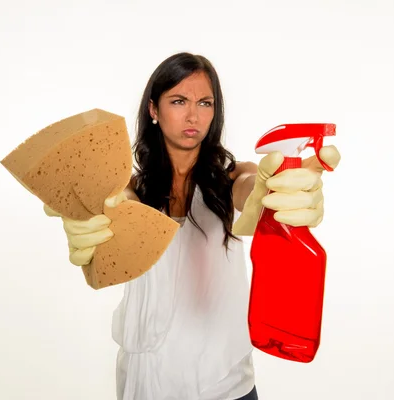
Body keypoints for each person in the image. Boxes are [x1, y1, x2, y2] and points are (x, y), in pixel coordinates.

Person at [46, 52, 341, 400]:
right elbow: (110, 247)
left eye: (205, 103)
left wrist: (269, 191)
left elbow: (250, 187)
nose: (193, 115)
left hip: (225, 383)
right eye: (178, 101)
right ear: (154, 110)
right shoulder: (132, 189)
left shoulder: (231, 176)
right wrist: (90, 216)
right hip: (148, 382)